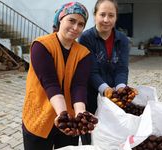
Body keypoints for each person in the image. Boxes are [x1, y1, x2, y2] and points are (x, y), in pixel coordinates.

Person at [21, 2, 92, 150]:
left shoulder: (84, 53)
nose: (75, 27)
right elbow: (50, 83)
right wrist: (62, 114)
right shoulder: (41, 46)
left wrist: (80, 115)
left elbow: (79, 86)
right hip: (40, 116)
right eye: (71, 20)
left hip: (69, 123)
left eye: (81, 24)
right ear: (60, 19)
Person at [78, 0, 130, 145]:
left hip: (113, 96)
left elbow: (122, 67)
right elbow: (91, 71)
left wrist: (120, 88)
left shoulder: (122, 39)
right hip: (91, 94)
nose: (106, 20)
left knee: (111, 133)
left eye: (111, 15)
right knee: (89, 132)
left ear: (116, 18)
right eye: (102, 15)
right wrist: (105, 89)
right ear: (95, 15)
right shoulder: (86, 38)